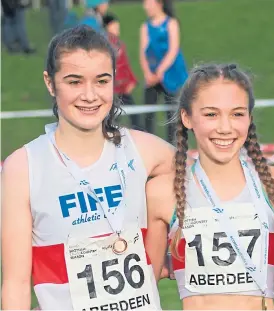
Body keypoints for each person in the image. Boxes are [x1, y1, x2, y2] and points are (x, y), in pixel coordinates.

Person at [1, 25, 175, 310]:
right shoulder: (24, 167)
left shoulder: (146, 151)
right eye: (74, 82)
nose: (90, 95)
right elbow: (15, 284)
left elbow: (209, 184)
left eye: (102, 81)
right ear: (50, 83)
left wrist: (171, 252)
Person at [145, 63, 274, 310]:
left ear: (250, 118)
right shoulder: (162, 193)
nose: (225, 128)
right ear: (187, 117)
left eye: (237, 114)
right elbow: (143, 289)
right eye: (211, 114)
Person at [139, 0, 188, 144]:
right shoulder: (145, 27)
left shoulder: (171, 23)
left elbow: (173, 50)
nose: (145, 7)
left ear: (159, 3)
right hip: (152, 76)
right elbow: (143, 52)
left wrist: (161, 70)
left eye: (148, 3)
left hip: (171, 75)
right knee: (148, 112)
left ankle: (172, 147)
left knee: (172, 115)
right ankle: (147, 144)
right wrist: (148, 72)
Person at [103, 13, 141, 130]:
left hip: (122, 88)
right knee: (116, 117)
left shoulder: (118, 43)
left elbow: (125, 65)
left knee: (130, 116)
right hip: (116, 89)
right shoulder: (108, 44)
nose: (117, 30)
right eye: (114, 27)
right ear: (107, 27)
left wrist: (132, 80)